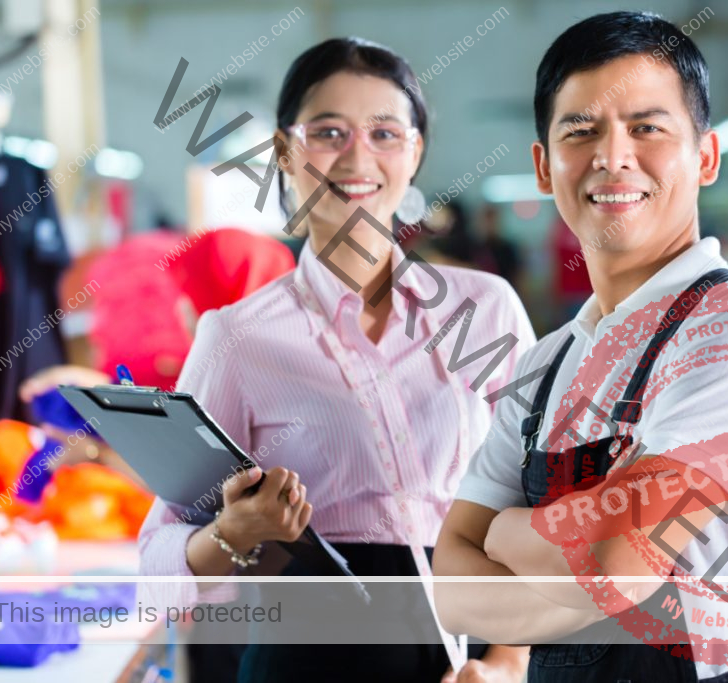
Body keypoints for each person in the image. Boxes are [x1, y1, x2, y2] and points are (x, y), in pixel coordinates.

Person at [435, 12, 728, 682]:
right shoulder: (544, 364)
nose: (612, 156)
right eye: (580, 130)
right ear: (544, 167)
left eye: (646, 127)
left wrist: (501, 536)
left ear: (704, 156)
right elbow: (455, 584)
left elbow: (617, 565)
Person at [137, 37, 533, 683]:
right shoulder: (239, 337)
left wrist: (511, 663)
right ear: (285, 152)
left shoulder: (484, 310)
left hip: (474, 654)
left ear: (415, 153)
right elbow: (157, 555)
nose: (357, 156)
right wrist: (235, 532)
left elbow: (537, 493)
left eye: (384, 132)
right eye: (329, 132)